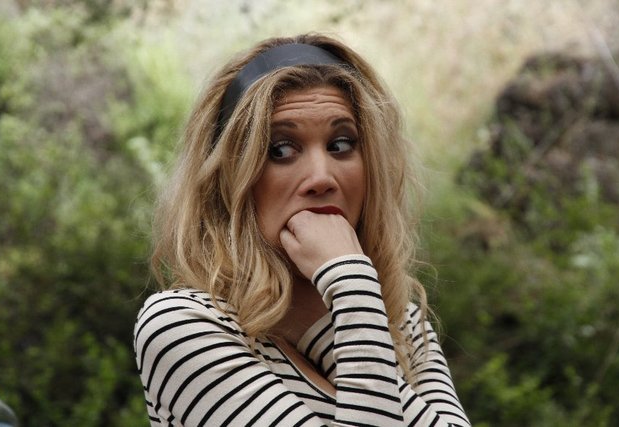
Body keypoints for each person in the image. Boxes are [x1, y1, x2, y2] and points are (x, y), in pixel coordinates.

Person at [134, 33, 471, 427]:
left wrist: (346, 310)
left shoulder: (402, 323)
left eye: (341, 144)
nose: (321, 177)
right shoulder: (183, 326)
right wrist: (351, 286)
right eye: (281, 149)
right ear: (229, 177)